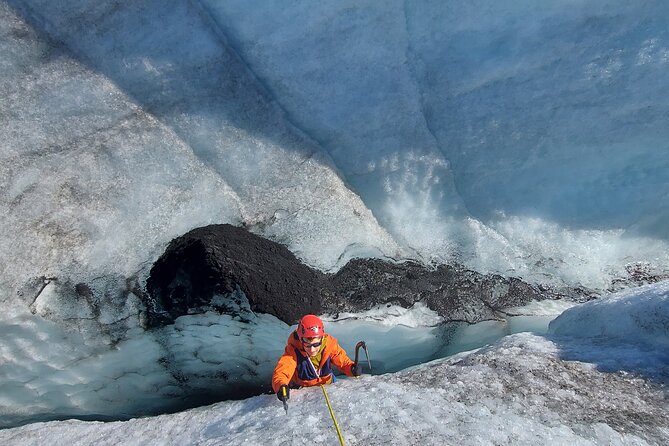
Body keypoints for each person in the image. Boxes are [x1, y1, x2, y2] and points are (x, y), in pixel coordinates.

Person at [272, 314, 361, 403]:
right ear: (300, 339)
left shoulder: (329, 345)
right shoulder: (293, 351)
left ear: (322, 339)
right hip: (305, 390)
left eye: (316, 344)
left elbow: (343, 362)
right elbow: (282, 370)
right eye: (307, 345)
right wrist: (281, 386)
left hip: (329, 385)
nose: (312, 349)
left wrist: (351, 368)